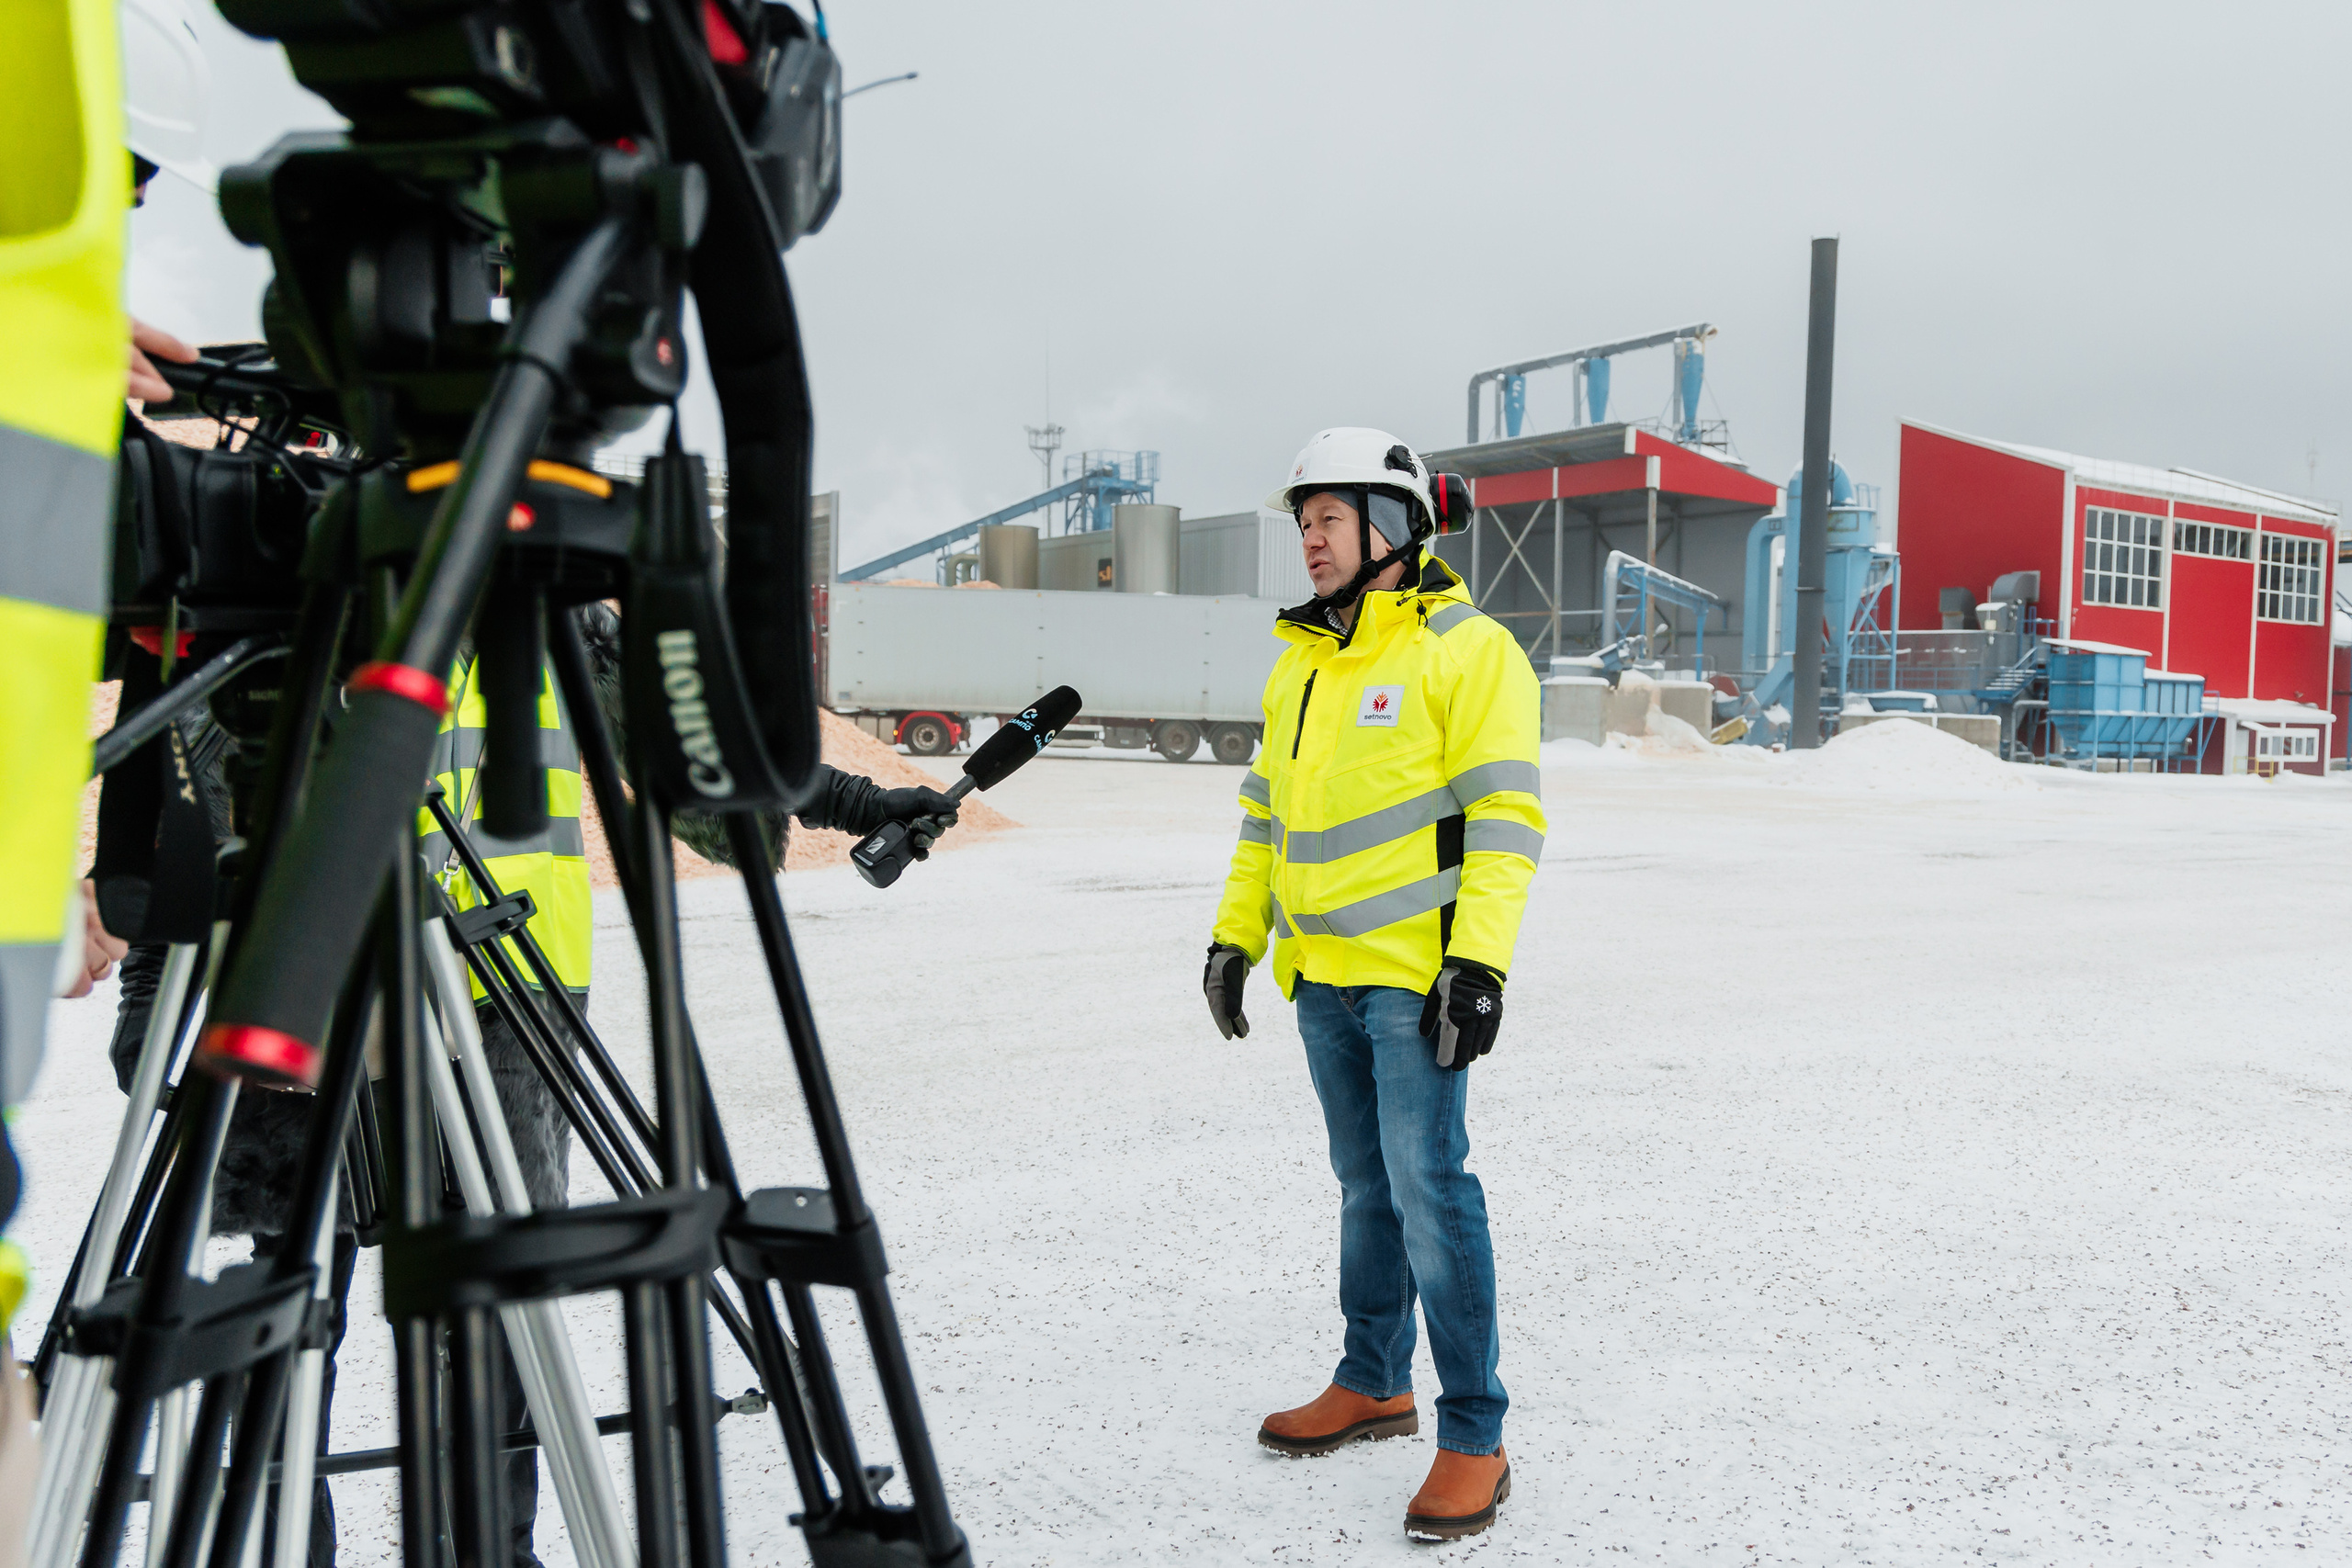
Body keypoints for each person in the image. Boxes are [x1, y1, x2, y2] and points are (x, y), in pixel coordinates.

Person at [1204, 428, 1544, 1542]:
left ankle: (1475, 1439)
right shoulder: (1299, 660)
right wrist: (1232, 938)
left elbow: (1504, 821)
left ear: (1391, 525)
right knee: (1365, 1187)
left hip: (1413, 981)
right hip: (1322, 980)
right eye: (1302, 523)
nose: (1308, 540)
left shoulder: (1466, 648)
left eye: (1328, 520)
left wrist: (1479, 964)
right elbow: (1265, 818)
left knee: (1431, 1190)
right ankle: (1374, 1382)